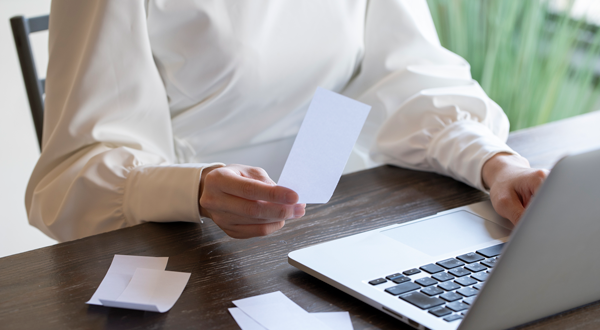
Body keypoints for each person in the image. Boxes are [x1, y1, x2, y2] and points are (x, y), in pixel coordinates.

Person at [26, 0, 548, 242]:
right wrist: (195, 189)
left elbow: (406, 76)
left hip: (345, 223)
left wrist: (495, 163)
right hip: (194, 247)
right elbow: (67, 180)